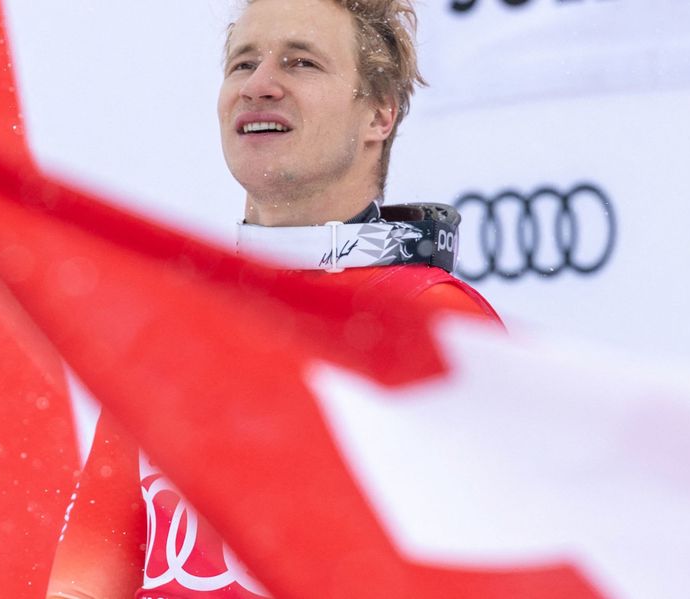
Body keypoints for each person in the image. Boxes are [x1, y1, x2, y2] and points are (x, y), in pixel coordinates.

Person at [47, 0, 499, 597]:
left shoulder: (435, 322)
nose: (260, 85)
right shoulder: (171, 329)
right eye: (242, 64)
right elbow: (85, 583)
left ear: (379, 116)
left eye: (302, 63)